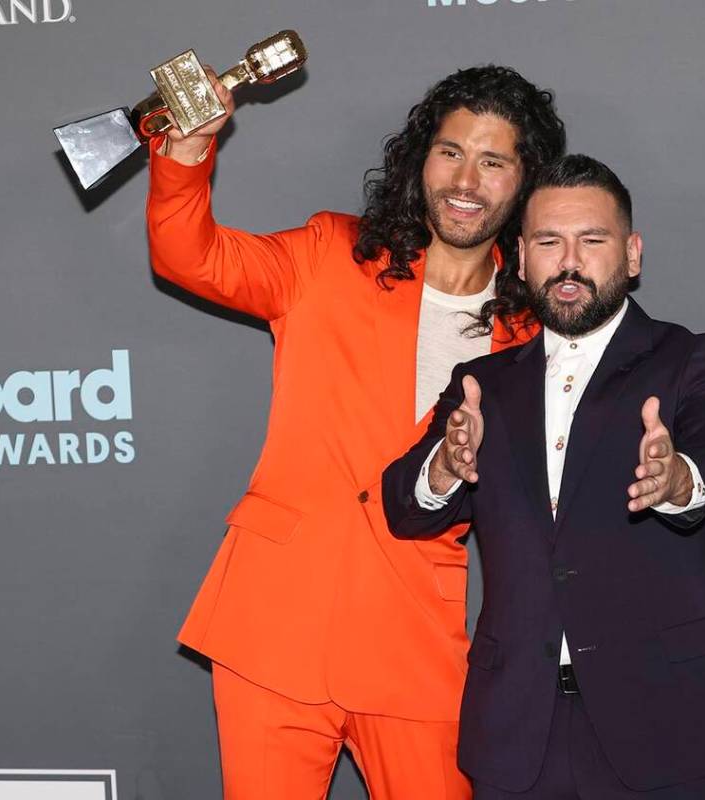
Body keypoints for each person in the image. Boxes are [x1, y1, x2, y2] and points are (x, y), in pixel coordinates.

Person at [146, 66, 565, 798]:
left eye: (494, 161)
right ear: (419, 159)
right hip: (273, 623)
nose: (465, 180)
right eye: (450, 152)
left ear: (525, 184)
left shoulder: (531, 334)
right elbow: (192, 257)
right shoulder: (328, 255)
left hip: (419, 639)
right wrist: (186, 154)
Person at [383, 155, 705, 799]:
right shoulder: (482, 386)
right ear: (520, 255)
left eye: (591, 241)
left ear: (631, 254)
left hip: (674, 725)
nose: (569, 262)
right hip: (522, 735)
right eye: (548, 242)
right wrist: (447, 466)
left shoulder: (695, 359)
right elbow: (406, 507)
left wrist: (678, 479)